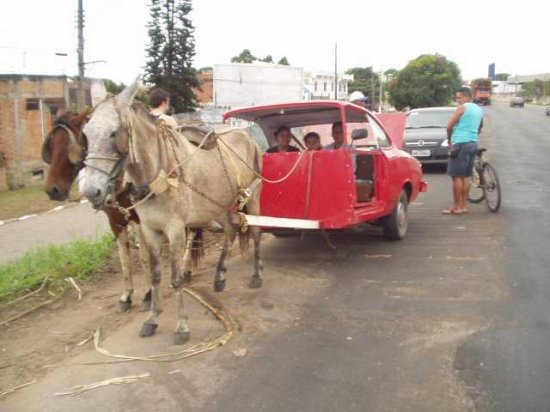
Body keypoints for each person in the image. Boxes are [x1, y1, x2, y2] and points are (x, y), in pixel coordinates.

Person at [443, 87, 483, 215]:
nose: (457, 100)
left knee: (457, 177)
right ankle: (464, 206)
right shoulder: (479, 109)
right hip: (473, 143)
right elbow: (480, 126)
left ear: (466, 97)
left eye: (459, 97)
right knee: (467, 176)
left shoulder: (462, 108)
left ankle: (457, 207)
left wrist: (449, 139)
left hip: (460, 143)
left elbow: (449, 126)